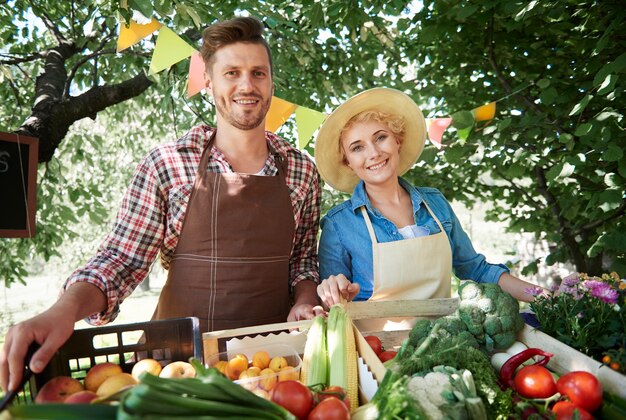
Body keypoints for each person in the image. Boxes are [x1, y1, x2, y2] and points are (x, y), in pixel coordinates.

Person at [0, 16, 322, 393]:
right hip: (176, 367)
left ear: (271, 81)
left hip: (272, 368)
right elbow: (121, 259)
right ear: (208, 81)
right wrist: (63, 310)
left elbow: (301, 260)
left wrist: (305, 299)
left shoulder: (301, 169)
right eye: (232, 72)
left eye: (258, 73)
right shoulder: (168, 164)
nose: (247, 85)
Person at [313, 87, 543, 314]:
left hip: (444, 340)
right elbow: (332, 307)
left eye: (380, 137)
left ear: (397, 141)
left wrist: (545, 297)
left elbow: (477, 269)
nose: (373, 153)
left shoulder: (435, 204)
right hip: (376, 346)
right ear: (348, 162)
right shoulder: (338, 224)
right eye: (357, 148)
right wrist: (334, 293)